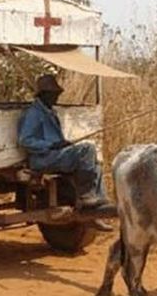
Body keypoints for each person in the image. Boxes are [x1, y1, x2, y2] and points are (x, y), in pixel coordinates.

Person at [18, 74, 110, 213]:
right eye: (53, 94)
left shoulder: (50, 112)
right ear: (44, 94)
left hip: (54, 155)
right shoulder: (33, 113)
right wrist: (50, 145)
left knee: (93, 161)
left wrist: (62, 144)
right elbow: (25, 140)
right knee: (87, 149)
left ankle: (100, 199)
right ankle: (86, 195)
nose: (56, 97)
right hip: (42, 158)